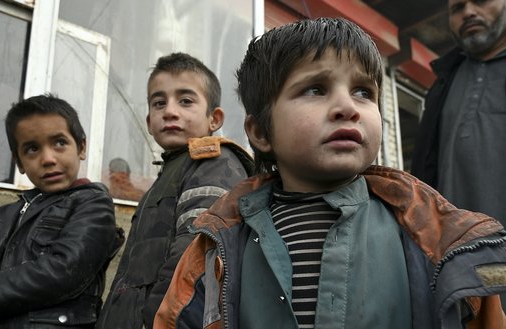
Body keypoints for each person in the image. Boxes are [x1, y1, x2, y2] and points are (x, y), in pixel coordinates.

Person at [155, 18, 506, 328]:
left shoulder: (433, 235)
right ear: (261, 132)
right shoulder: (219, 242)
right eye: (315, 89)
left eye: (363, 92)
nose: (347, 108)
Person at [0, 94, 123, 328]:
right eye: (32, 149)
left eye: (59, 143)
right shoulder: (3, 216)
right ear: (19, 162)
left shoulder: (92, 203)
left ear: (81, 147)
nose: (48, 159)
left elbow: (66, 270)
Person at [96, 52, 254, 329]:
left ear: (214, 118)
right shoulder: (170, 172)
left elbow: (194, 251)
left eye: (185, 101)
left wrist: (160, 319)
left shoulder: (212, 162)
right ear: (148, 121)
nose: (169, 110)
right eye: (159, 102)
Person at [412, 1, 506, 227]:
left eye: (481, 1)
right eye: (457, 8)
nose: (469, 12)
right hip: (452, 251)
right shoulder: (444, 83)